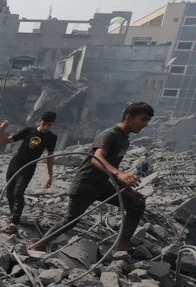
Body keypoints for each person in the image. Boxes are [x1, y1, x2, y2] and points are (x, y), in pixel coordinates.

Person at [30, 101, 154, 253]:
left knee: (137, 203)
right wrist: (119, 173)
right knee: (70, 220)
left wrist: (127, 189)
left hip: (102, 186)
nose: (145, 124)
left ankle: (123, 245)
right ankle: (40, 245)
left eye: (148, 121)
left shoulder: (125, 141)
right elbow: (97, 158)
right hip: (85, 184)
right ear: (128, 117)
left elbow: (111, 168)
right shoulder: (110, 134)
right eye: (143, 119)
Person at [0, 111, 57, 234]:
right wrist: (2, 130)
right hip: (15, 164)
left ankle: (14, 223)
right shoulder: (28, 130)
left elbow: (49, 157)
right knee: (9, 192)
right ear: (40, 121)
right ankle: (12, 215)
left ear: (53, 124)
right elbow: (6, 141)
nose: (45, 127)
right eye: (44, 124)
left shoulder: (52, 137)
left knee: (18, 192)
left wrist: (50, 175)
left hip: (29, 167)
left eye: (49, 125)